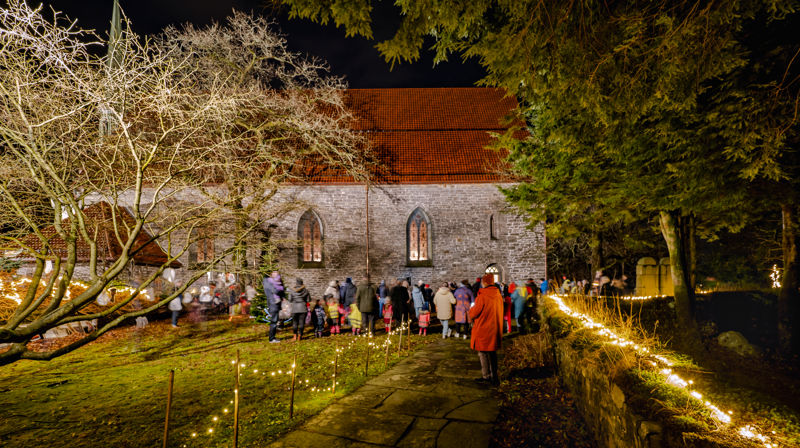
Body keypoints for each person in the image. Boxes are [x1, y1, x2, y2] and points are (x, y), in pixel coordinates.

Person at [469, 273, 504, 386]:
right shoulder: (498, 294)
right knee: (492, 353)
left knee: (483, 353)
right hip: (494, 328)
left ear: (484, 282)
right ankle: (495, 377)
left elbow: (474, 313)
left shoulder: (482, 296)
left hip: (484, 328)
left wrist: (471, 309)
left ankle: (486, 376)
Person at [263, 272, 284, 343]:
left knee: (275, 321)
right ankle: (271, 338)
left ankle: (272, 337)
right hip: (273, 304)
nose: (278, 277)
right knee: (274, 321)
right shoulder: (270, 283)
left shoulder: (270, 282)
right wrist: (280, 289)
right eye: (276, 275)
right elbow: (275, 291)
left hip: (274, 303)